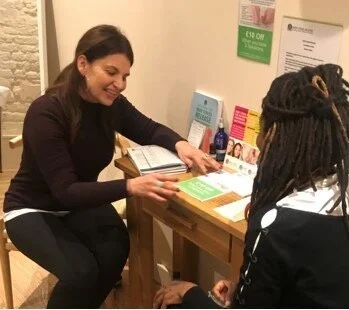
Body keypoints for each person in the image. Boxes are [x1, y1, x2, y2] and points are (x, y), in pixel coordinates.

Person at [3, 24, 220, 308]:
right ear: (83, 64)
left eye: (125, 76)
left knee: (116, 248)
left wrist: (184, 146)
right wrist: (131, 185)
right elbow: (66, 190)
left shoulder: (110, 104)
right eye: (111, 72)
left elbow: (148, 129)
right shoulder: (47, 112)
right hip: (33, 207)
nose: (120, 83)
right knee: (80, 272)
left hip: (78, 203)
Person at [153, 64, 349, 308]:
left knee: (176, 300)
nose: (260, 141)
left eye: (263, 129)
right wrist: (243, 283)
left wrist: (190, 293)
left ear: (277, 140)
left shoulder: (276, 227)